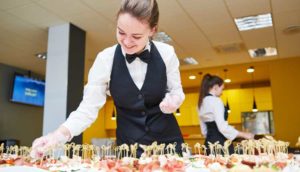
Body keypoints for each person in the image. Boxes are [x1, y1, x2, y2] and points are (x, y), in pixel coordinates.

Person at [30, 0, 185, 158]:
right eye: (121, 32)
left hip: (169, 145)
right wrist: (57, 136)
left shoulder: (167, 54)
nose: (126, 42)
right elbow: (87, 109)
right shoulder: (105, 60)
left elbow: (176, 91)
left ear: (153, 30)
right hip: (129, 150)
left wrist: (174, 100)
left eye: (136, 36)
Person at [198, 74, 254, 154]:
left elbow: (204, 131)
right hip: (222, 144)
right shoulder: (216, 101)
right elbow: (222, 127)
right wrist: (244, 134)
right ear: (216, 87)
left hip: (209, 144)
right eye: (222, 89)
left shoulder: (200, 102)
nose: (222, 93)